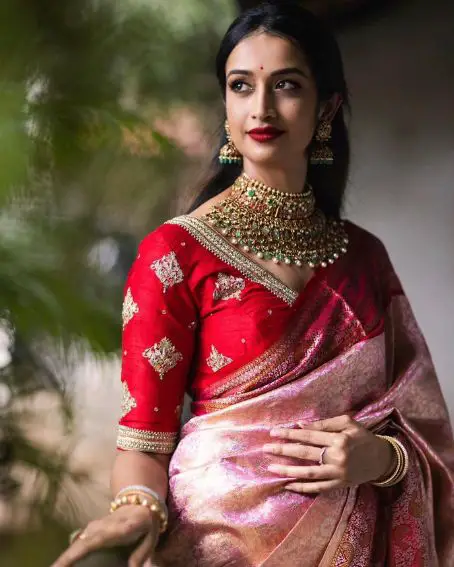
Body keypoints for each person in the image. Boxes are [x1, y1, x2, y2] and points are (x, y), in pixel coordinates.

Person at [52, 1, 454, 566]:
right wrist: (137, 505)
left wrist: (381, 460)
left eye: (286, 85)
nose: (261, 107)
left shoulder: (363, 258)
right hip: (215, 547)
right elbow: (144, 438)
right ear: (225, 105)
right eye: (242, 86)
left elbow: (426, 429)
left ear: (327, 108)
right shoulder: (176, 253)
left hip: (357, 546)